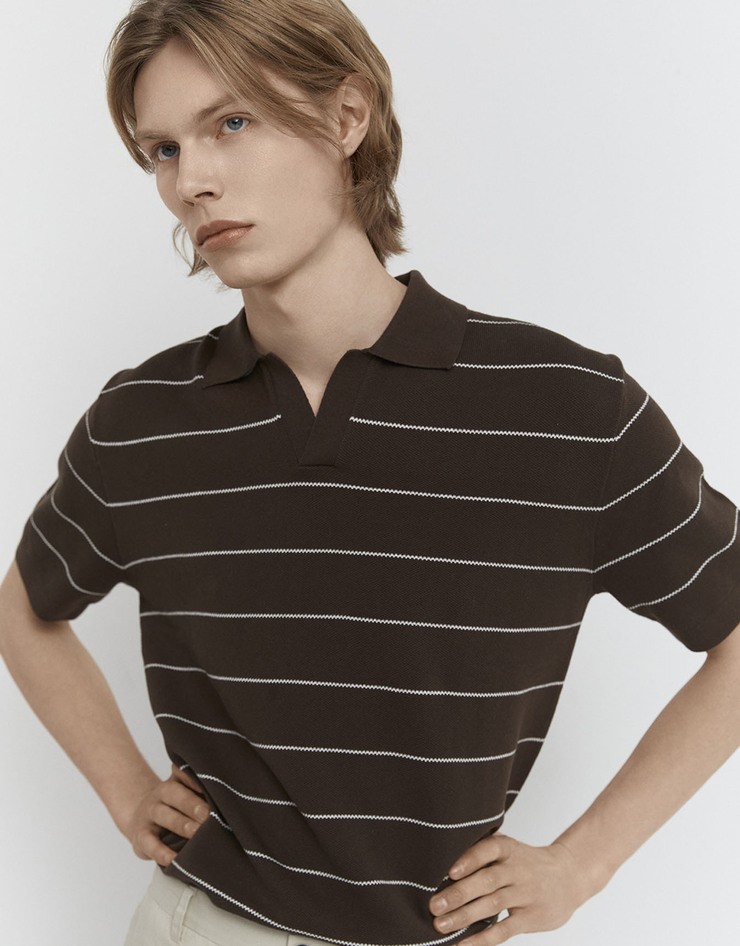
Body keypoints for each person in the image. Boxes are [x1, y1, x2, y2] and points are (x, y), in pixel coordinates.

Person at [1, 1, 739, 944]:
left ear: (347, 117)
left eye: (232, 122)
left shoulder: (568, 409)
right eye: (163, 150)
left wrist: (585, 864)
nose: (192, 181)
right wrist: (122, 788)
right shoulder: (142, 421)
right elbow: (25, 608)